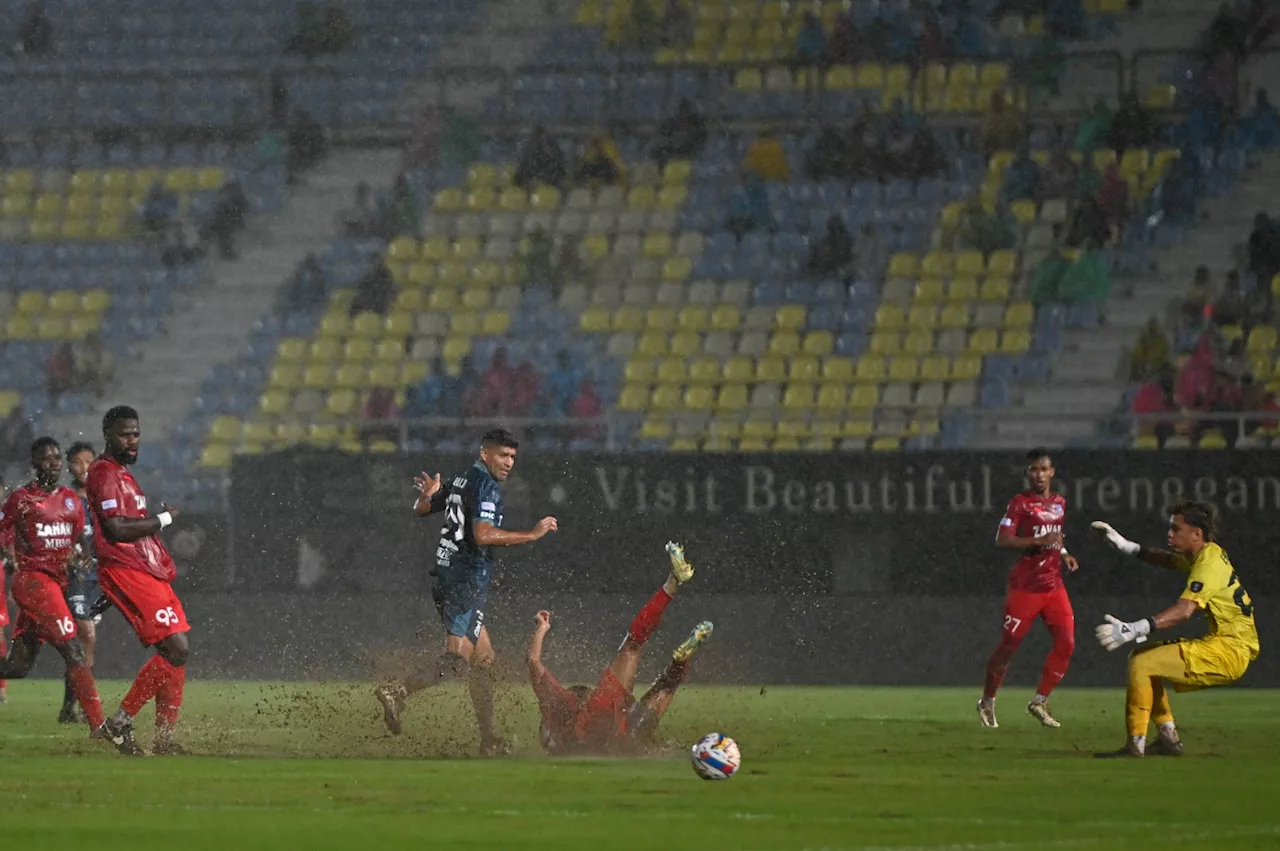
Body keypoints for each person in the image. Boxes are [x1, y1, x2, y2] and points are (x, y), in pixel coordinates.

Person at [374, 429, 559, 755]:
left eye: (513, 457)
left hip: (451, 575)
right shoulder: (486, 486)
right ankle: (397, 690)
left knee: (484, 659)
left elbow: (422, 509)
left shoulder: (462, 479)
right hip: (463, 582)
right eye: (503, 455)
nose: (509, 463)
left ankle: (488, 739)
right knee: (457, 660)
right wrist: (531, 535)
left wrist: (426, 495)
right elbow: (484, 535)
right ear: (485, 453)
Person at [1091, 501, 1259, 757]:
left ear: (1196, 533)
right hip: (1227, 644)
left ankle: (1135, 746)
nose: (1170, 534)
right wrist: (1128, 547)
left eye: (1176, 529)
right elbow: (1168, 560)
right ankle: (1168, 739)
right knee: (1142, 660)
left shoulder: (1208, 565)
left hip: (1230, 650)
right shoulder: (1206, 553)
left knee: (1143, 664)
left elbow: (1184, 611)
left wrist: (1135, 628)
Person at [529, 542, 712, 754]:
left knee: (661, 692)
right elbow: (532, 660)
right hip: (601, 718)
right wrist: (541, 628)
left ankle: (681, 662)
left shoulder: (555, 715)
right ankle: (672, 584)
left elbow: (532, 662)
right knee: (633, 645)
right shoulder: (563, 701)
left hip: (616, 738)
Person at [86, 406, 191, 756]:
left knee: (177, 652)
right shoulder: (103, 473)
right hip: (126, 569)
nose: (132, 440)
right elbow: (115, 530)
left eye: (135, 433)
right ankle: (119, 722)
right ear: (108, 435)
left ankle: (163, 740)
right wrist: (163, 519)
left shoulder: (123, 475)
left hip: (146, 569)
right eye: (124, 434)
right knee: (175, 648)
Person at [0, 438, 110, 742]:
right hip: (34, 581)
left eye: (56, 458)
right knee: (73, 649)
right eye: (46, 459)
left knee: (17, 666)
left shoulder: (70, 500)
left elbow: (79, 535)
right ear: (35, 463)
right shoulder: (21, 500)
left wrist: (84, 552)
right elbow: (3, 530)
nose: (54, 463)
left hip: (57, 583)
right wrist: (8, 554)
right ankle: (99, 726)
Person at [978, 448, 1080, 729]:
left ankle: (1040, 701)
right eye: (1034, 470)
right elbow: (1002, 539)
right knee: (1009, 646)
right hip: (1025, 587)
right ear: (1027, 473)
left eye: (1043, 469)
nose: (1039, 474)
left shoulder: (1059, 503)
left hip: (1053, 585)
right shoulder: (1019, 503)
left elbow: (1053, 535)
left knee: (1067, 643)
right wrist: (1036, 543)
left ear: (1052, 472)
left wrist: (1063, 554)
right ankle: (987, 700)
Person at [58, 441, 107, 724]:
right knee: (86, 634)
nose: (84, 468)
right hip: (73, 577)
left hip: (97, 579)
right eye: (78, 462)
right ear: (69, 466)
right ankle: (87, 706)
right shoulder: (65, 499)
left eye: (90, 462)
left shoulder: (102, 499)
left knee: (81, 644)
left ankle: (69, 706)